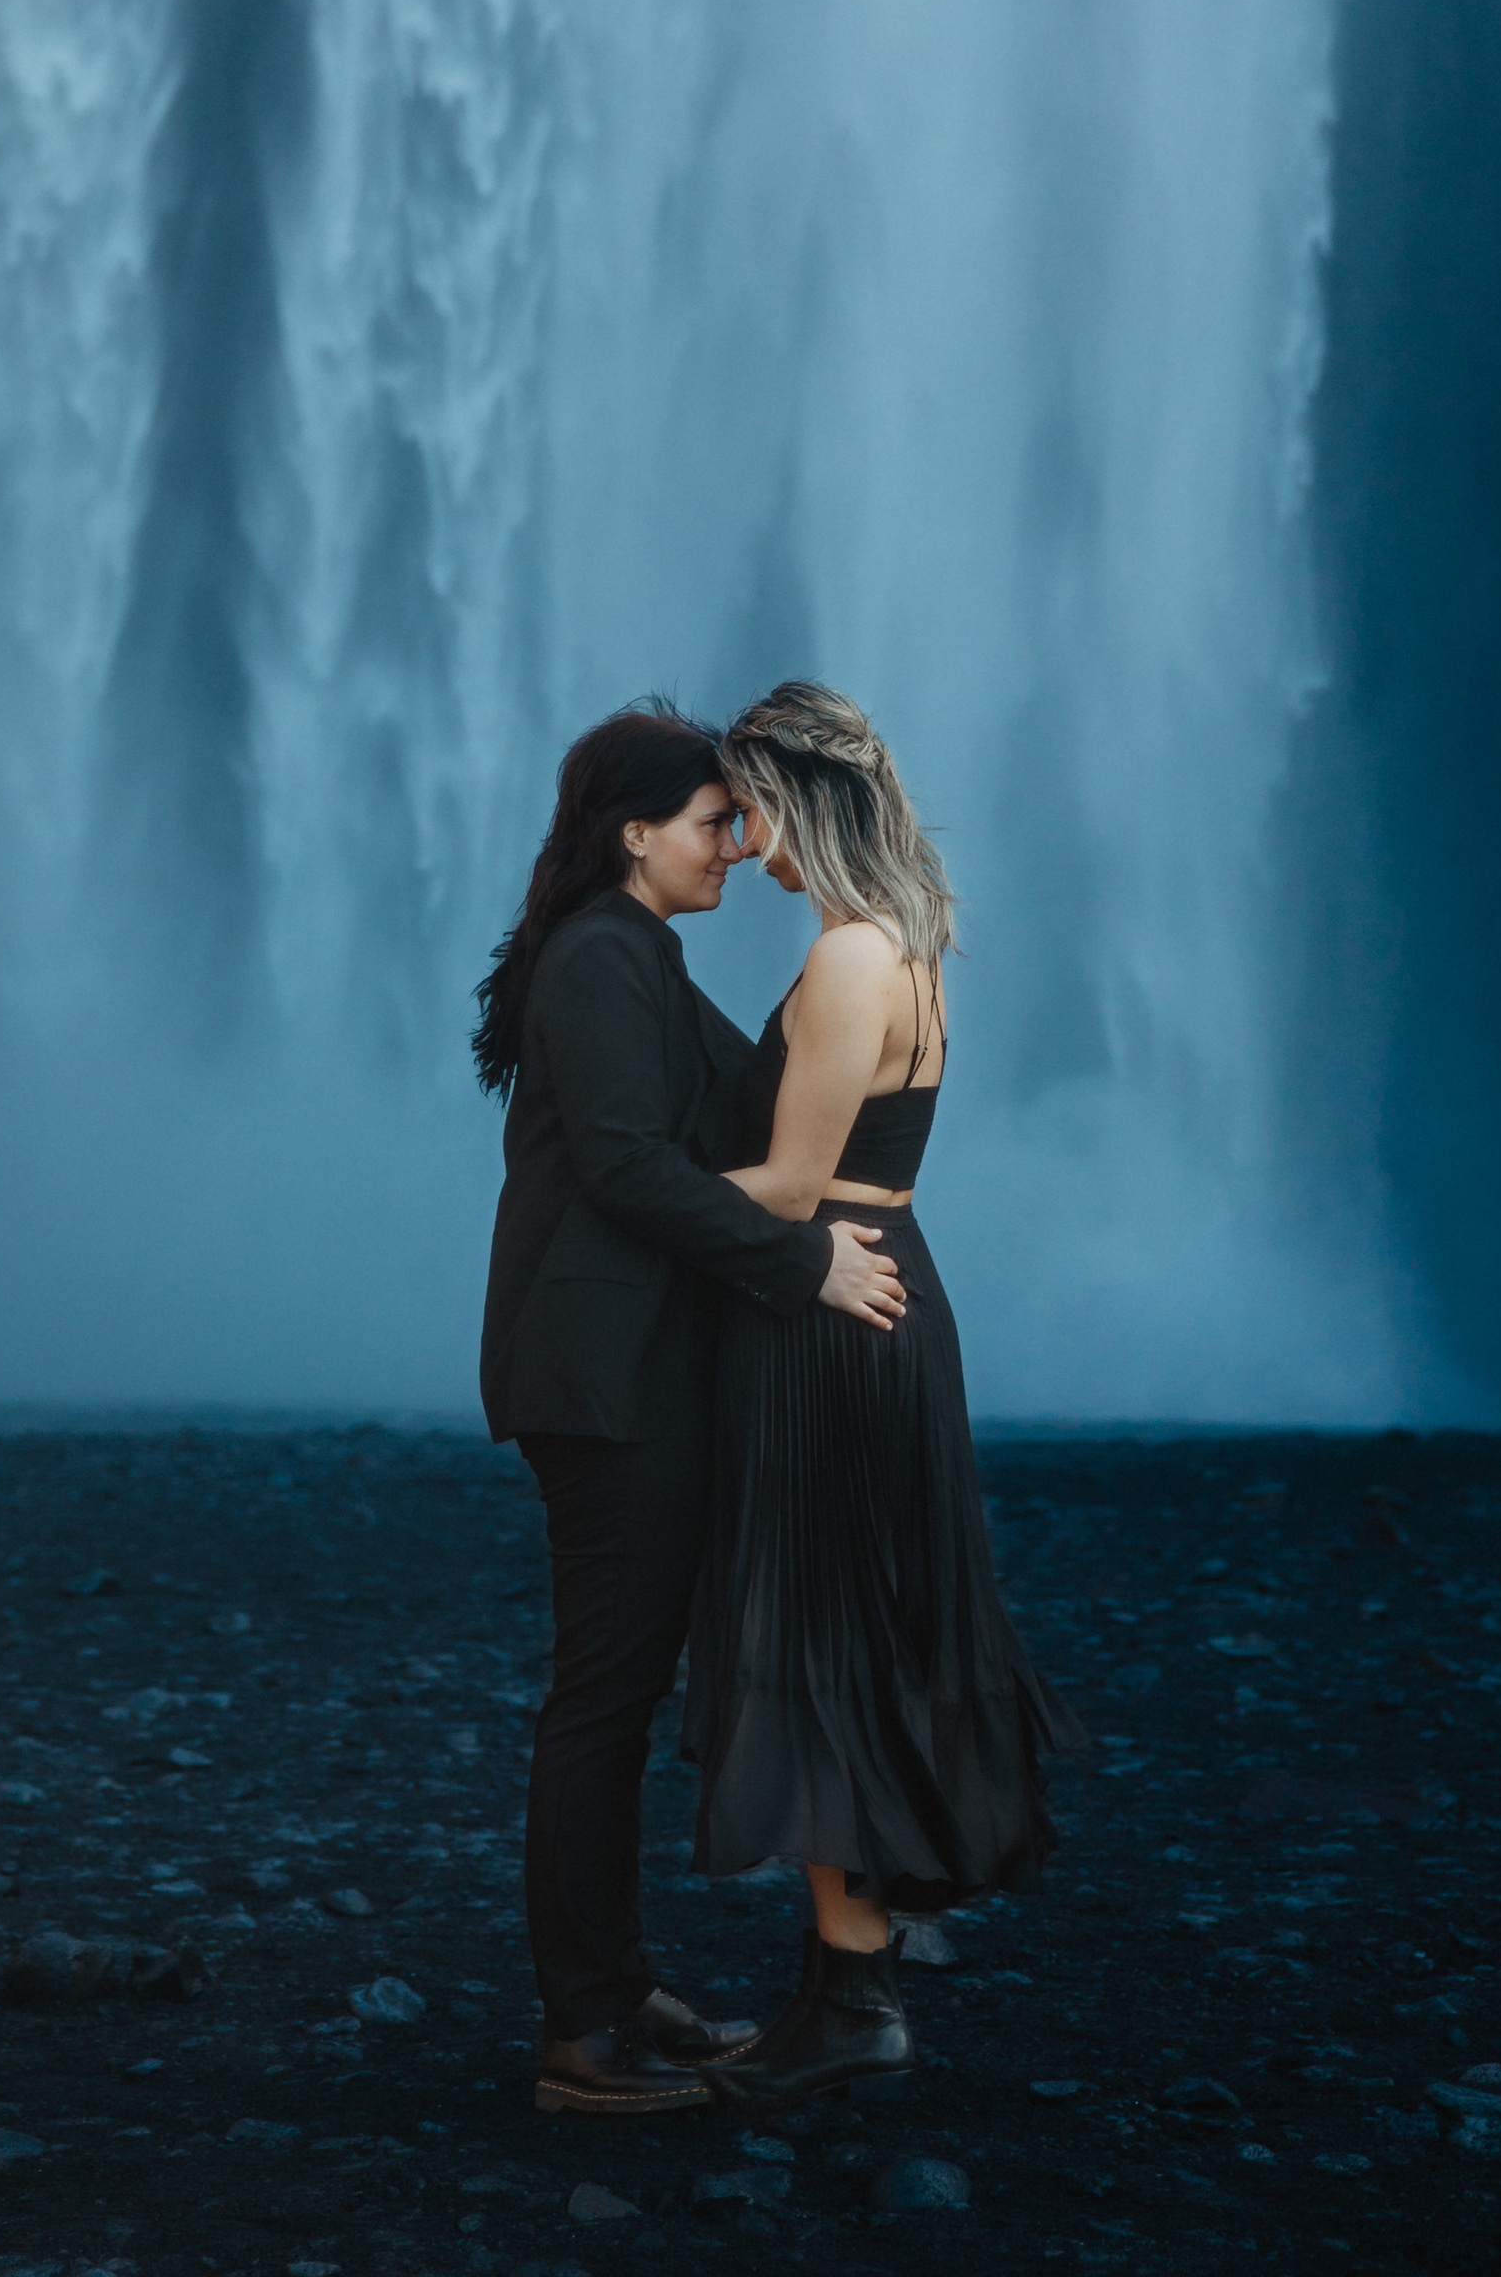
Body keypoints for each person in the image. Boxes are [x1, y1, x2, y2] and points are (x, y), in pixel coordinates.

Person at [476, 700, 912, 2117]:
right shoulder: (604, 958)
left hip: (636, 1364)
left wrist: (877, 964)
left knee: (619, 1687)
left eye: (744, 820)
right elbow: (621, 1166)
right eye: (716, 822)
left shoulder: (631, 953)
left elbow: (748, 1105)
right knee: (602, 1697)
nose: (735, 845)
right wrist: (803, 1261)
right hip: (602, 1377)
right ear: (635, 834)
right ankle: (582, 2034)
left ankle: (615, 1991)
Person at [682, 680, 1079, 2110]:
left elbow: (790, 1189)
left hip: (832, 1305)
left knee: (820, 1627)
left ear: (807, 803)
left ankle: (851, 2003)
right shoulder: (898, 950)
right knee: (842, 1626)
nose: (737, 841)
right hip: (866, 1285)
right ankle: (841, 1993)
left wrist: (614, 1201)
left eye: (748, 810)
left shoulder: (856, 959)